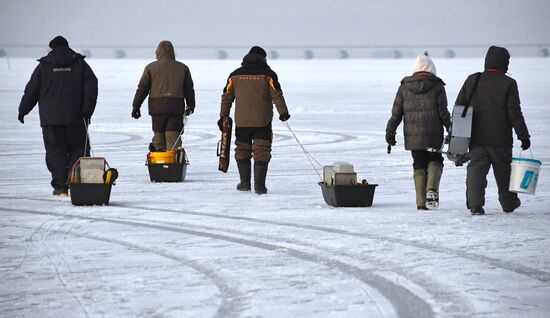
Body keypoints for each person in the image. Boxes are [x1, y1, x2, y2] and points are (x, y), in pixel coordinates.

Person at [18, 36, 98, 196]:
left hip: (51, 120)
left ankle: (61, 188)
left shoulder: (44, 66)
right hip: (77, 118)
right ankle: (77, 184)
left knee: (55, 152)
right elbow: (92, 88)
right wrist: (87, 111)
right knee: (78, 150)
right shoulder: (80, 64)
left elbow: (31, 91)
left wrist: (23, 110)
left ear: (52, 49)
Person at [456, 46, 530, 215]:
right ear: (504, 63)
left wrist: (458, 135)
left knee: (476, 172)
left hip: (476, 137)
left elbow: (459, 107)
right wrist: (523, 136)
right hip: (501, 138)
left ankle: (475, 205)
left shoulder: (473, 80)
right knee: (504, 172)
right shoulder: (509, 83)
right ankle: (508, 203)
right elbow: (514, 112)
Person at [219, 46, 290, 194]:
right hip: (262, 121)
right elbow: (276, 95)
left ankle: (245, 184)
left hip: (242, 121)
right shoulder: (269, 75)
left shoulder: (235, 75)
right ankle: (259, 186)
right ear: (263, 58)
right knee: (261, 151)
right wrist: (283, 112)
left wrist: (223, 116)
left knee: (242, 150)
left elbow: (226, 97)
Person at [386, 53, 451, 210]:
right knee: (435, 160)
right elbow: (443, 112)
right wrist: (451, 129)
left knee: (419, 163)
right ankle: (431, 190)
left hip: (414, 136)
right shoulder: (437, 86)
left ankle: (421, 202)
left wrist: (390, 133)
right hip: (434, 134)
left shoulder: (404, 87)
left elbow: (396, 114)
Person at [132, 40, 195, 151]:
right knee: (173, 137)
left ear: (157, 52)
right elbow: (189, 89)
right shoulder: (182, 68)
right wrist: (191, 105)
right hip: (175, 108)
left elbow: (142, 89)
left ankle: (159, 163)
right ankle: (173, 164)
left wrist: (136, 106)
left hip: (157, 108)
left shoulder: (150, 68)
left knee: (159, 137)